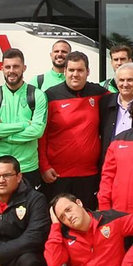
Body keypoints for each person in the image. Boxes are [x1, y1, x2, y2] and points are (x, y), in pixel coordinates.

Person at [38, 51, 111, 205]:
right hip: (57, 175)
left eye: (80, 70)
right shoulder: (50, 96)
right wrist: (44, 166)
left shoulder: (98, 93)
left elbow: (126, 98)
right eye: (71, 70)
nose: (75, 74)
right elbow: (41, 135)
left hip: (89, 175)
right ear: (64, 71)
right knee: (58, 222)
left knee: (86, 221)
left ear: (88, 72)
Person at [0, 49, 47, 182]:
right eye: (7, 67)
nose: (11, 70)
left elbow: (37, 131)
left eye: (16, 66)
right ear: (2, 68)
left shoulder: (37, 95)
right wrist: (25, 124)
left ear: (24, 68)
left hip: (27, 168)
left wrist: (3, 133)